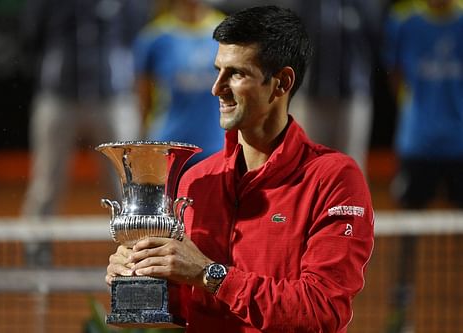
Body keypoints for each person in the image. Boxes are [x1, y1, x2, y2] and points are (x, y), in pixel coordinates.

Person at [106, 5, 375, 332]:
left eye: (236, 73)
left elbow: (321, 309)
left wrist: (209, 274)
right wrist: (138, 278)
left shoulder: (333, 179)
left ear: (281, 83)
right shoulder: (195, 180)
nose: (216, 88)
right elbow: (179, 307)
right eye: (218, 70)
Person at [19, 0, 150, 265]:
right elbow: (31, 33)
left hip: (113, 97)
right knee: (47, 179)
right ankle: (36, 247)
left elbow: (136, 33)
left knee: (126, 180)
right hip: (58, 96)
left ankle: (137, 246)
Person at [383, 0, 463, 209]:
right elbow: (395, 75)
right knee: (410, 224)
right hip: (417, 143)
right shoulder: (404, 22)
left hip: (459, 143)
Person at [291, 0, 384, 174]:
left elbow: (376, 44)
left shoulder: (363, 5)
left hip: (352, 96)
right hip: (311, 96)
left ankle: (350, 201)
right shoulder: (305, 4)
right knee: (309, 164)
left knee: (350, 164)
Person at [132, 0, 225, 168]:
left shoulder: (227, 32)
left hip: (217, 147)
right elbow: (143, 99)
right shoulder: (155, 37)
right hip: (168, 147)